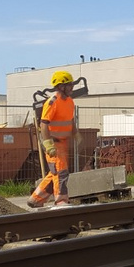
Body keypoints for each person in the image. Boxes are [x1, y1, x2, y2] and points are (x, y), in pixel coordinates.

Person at [28, 70, 78, 208]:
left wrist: (75, 133)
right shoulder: (52, 102)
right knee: (61, 172)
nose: (72, 87)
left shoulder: (70, 102)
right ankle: (61, 200)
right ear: (61, 87)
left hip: (63, 142)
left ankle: (36, 199)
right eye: (69, 85)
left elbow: (70, 119)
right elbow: (44, 124)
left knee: (54, 172)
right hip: (52, 142)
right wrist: (48, 145)